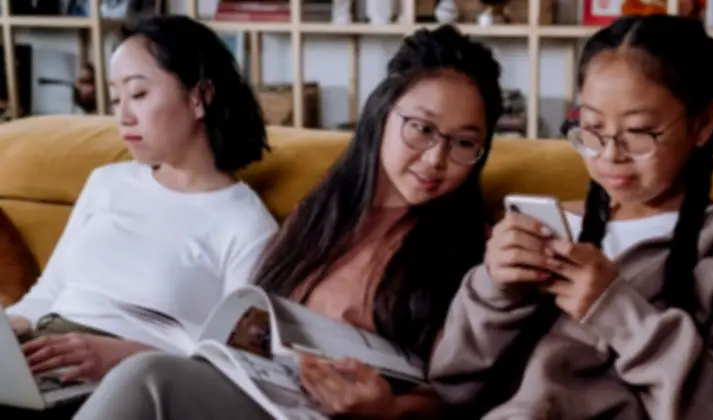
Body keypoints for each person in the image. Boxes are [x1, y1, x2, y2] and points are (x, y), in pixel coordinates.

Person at [72, 23, 503, 420]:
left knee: (147, 377)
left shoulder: (476, 253)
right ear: (382, 113)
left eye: (464, 143)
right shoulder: (323, 211)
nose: (436, 159)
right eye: (422, 129)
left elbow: (459, 398)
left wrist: (388, 410)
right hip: (263, 397)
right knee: (144, 375)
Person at [429, 15, 713, 420]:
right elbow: (451, 387)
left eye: (638, 132)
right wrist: (493, 290)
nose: (609, 155)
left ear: (704, 122)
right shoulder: (552, 227)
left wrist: (617, 311)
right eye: (591, 128)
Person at [2, 14, 278, 418]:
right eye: (117, 99)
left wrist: (126, 355)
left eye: (139, 94)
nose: (123, 116)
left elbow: (240, 366)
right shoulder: (107, 182)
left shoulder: (245, 225)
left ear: (200, 96)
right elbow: (51, 290)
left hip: (129, 383)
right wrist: (9, 330)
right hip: (42, 359)